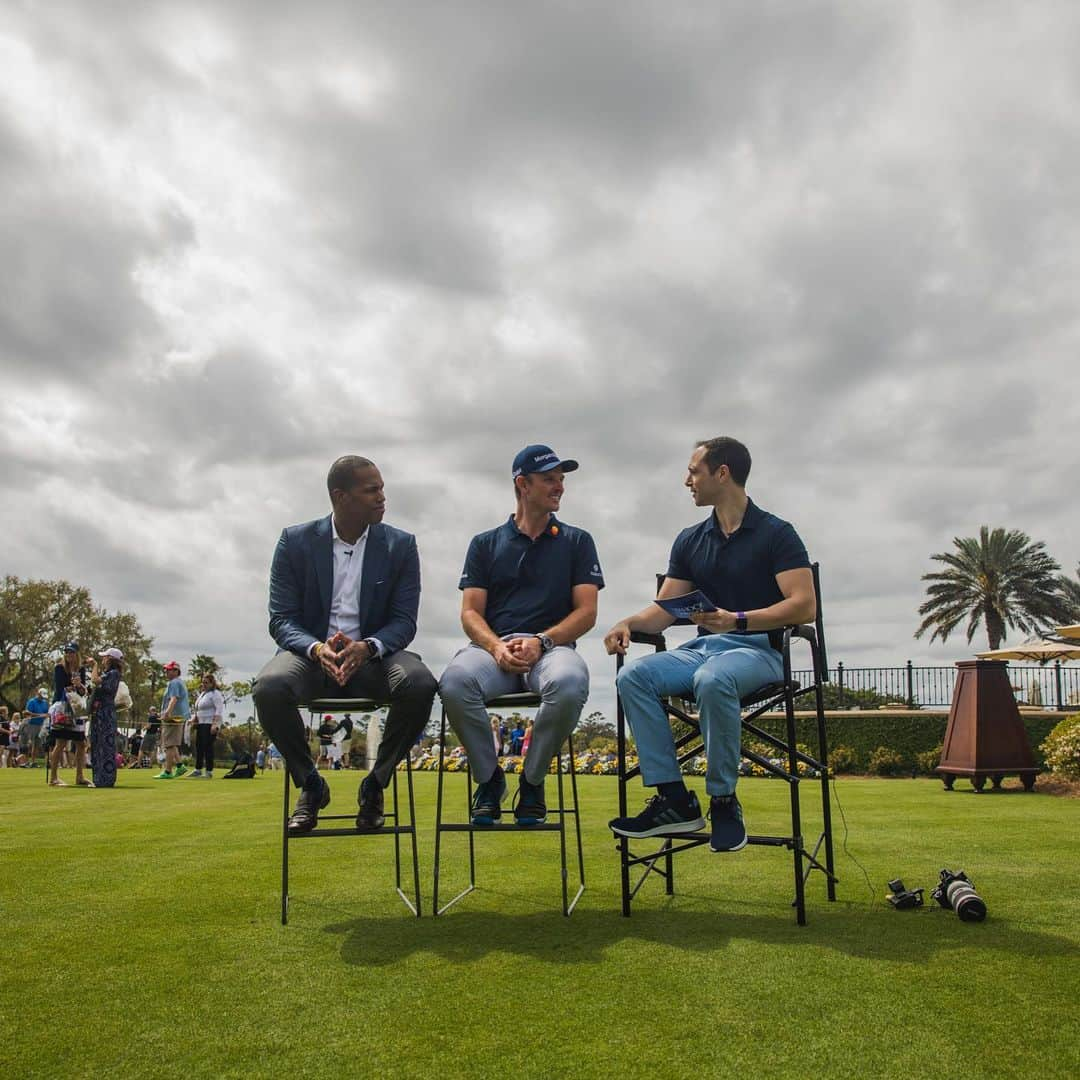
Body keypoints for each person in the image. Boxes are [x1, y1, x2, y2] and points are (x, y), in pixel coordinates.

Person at [605, 437, 815, 852]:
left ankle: (723, 800)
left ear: (723, 473)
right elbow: (664, 610)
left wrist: (737, 620)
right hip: (702, 651)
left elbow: (805, 605)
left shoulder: (777, 534)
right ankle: (674, 799)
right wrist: (628, 622)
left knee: (711, 678)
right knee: (633, 675)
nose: (687, 481)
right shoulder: (689, 539)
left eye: (694, 471)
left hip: (758, 651)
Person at [253, 455, 438, 834]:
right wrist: (317, 649)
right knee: (269, 688)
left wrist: (368, 646)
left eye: (382, 488)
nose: (382, 497)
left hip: (374, 660)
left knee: (419, 683)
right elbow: (281, 619)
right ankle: (310, 785)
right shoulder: (295, 542)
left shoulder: (401, 545)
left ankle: (375, 784)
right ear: (340, 496)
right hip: (311, 659)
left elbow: (404, 621)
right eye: (372, 490)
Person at [439, 444, 604, 826]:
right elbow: (469, 613)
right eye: (550, 479)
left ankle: (532, 780)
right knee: (454, 683)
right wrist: (496, 646)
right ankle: (489, 779)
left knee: (569, 681)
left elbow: (587, 612)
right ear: (522, 484)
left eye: (561, 480)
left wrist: (541, 641)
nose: (559, 487)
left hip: (551, 648)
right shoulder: (484, 543)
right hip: (492, 651)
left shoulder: (578, 541)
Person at [89, 648, 126, 788]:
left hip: (105, 714)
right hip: (100, 713)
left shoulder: (113, 674)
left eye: (105, 657)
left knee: (104, 746)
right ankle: (99, 778)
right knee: (98, 745)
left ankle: (104, 779)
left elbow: (95, 680)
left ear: (110, 659)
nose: (103, 660)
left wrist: (94, 666)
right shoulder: (109, 674)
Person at [156, 661, 190, 779]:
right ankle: (180, 765)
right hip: (176, 717)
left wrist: (167, 713)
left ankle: (168, 771)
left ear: (176, 671)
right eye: (166, 670)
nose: (166, 672)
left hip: (173, 717)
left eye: (169, 670)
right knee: (172, 743)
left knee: (169, 744)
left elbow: (174, 698)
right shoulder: (178, 682)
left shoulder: (174, 682)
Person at [190, 673, 224, 778]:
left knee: (208, 747)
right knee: (199, 746)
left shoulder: (215, 694)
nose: (204, 684)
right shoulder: (202, 694)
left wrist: (215, 724)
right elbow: (198, 709)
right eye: (203, 682)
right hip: (200, 724)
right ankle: (198, 769)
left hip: (210, 724)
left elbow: (219, 709)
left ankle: (209, 771)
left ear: (211, 683)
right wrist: (193, 718)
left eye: (206, 683)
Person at [23, 687, 49, 766]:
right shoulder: (32, 701)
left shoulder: (45, 702)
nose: (42, 698)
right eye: (41, 696)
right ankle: (27, 761)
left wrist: (46, 715)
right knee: (29, 743)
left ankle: (33, 762)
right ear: (38, 694)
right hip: (31, 724)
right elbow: (27, 712)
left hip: (41, 725)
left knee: (37, 744)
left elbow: (46, 712)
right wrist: (39, 715)